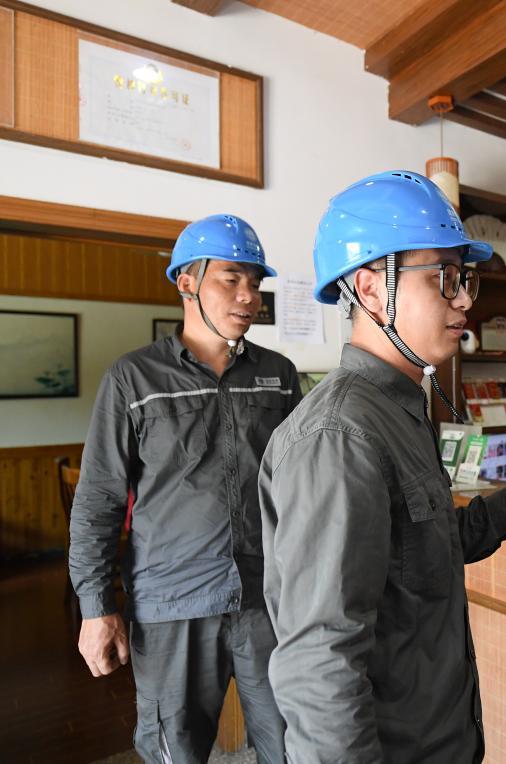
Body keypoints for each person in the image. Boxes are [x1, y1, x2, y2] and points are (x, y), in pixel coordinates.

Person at [259, 170, 506, 763]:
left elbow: (415, 553)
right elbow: (319, 659)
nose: (464, 301)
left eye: (465, 280)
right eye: (444, 278)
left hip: (441, 737)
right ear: (371, 288)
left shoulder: (400, 409)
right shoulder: (338, 436)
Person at [69, 214, 301, 763]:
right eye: (231, 279)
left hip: (268, 600)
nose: (248, 296)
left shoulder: (279, 374)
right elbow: (99, 498)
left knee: (294, 745)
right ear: (187, 282)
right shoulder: (133, 378)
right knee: (174, 751)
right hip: (172, 603)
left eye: (255, 283)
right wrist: (96, 607)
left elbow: (303, 482)